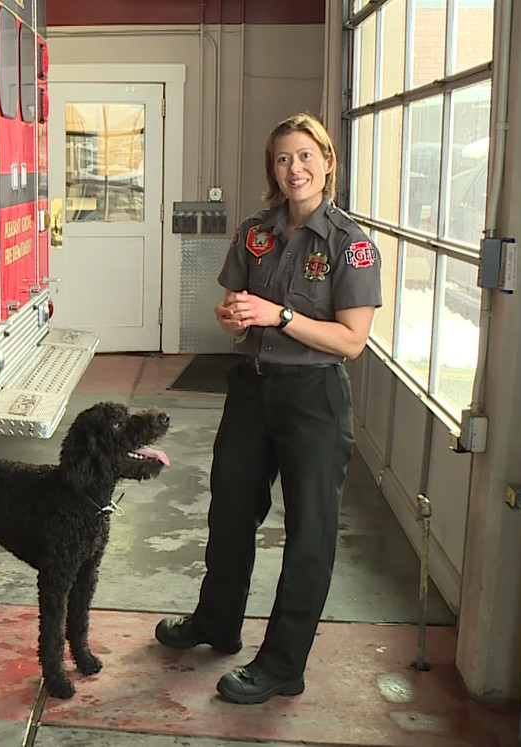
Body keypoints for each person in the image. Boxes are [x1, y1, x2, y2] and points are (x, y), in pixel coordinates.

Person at [154, 112, 382, 704]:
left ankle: (283, 663)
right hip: (252, 388)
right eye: (283, 159)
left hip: (313, 399)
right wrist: (231, 316)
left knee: (310, 532)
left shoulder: (351, 246)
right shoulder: (256, 233)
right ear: (271, 170)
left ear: (327, 162)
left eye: (306, 156)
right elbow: (233, 305)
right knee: (230, 511)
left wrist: (281, 316)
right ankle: (217, 623)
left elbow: (351, 342)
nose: (294, 169)